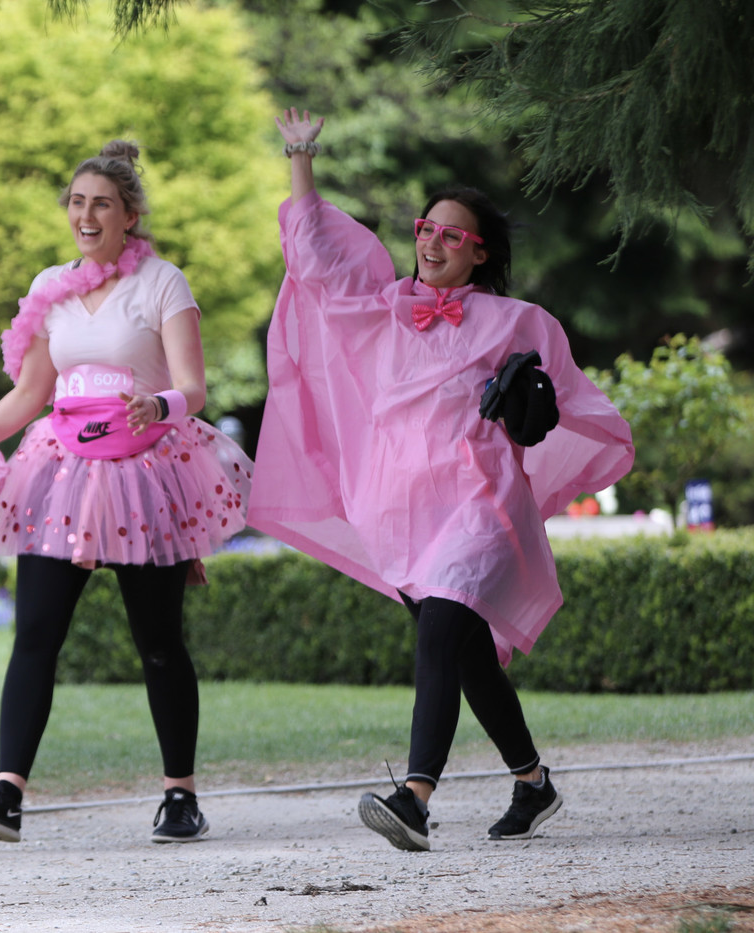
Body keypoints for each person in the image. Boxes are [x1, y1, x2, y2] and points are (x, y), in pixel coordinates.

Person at [247, 108, 634, 852]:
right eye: (427, 227)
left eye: (452, 233)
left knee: (443, 637)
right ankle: (532, 781)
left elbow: (568, 405)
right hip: (401, 514)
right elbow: (317, 256)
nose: (432, 239)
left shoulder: (517, 321)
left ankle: (415, 798)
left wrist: (550, 421)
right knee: (461, 653)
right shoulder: (384, 312)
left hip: (479, 506)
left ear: (479, 253)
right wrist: (301, 155)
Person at [0, 140, 252, 844]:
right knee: (36, 634)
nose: (86, 214)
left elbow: (194, 385)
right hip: (61, 470)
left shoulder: (163, 283)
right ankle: (7, 794)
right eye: (78, 202)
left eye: (101, 203)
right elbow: (30, 392)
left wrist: (162, 406)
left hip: (148, 466)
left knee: (159, 640)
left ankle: (180, 794)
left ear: (129, 215)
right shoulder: (51, 285)